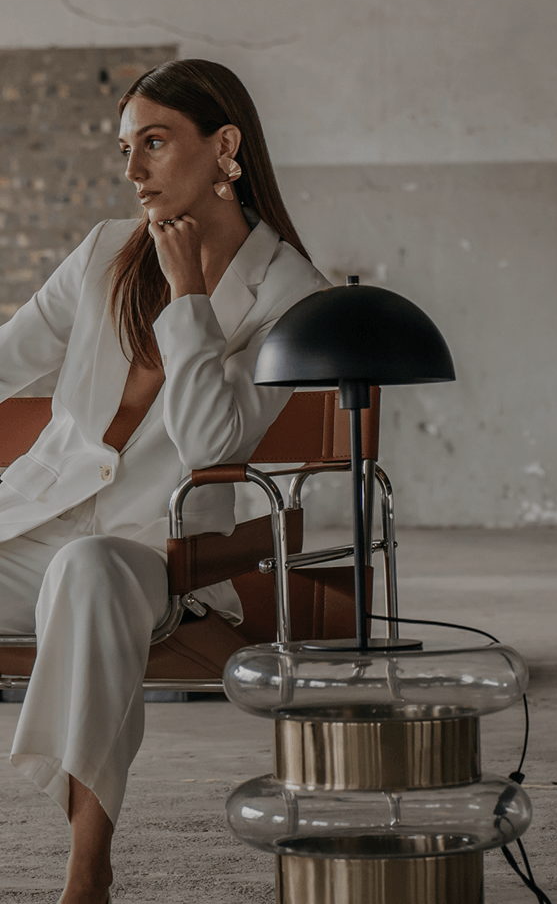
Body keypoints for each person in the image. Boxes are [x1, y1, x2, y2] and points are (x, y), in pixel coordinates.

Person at [0, 59, 328, 904]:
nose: (133, 169)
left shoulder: (290, 295)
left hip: (159, 557)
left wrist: (188, 297)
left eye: (153, 142)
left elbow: (212, 442)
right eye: (125, 147)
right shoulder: (106, 250)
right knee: (71, 563)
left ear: (226, 148)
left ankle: (86, 869)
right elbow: (8, 357)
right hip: (31, 529)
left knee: (92, 570)